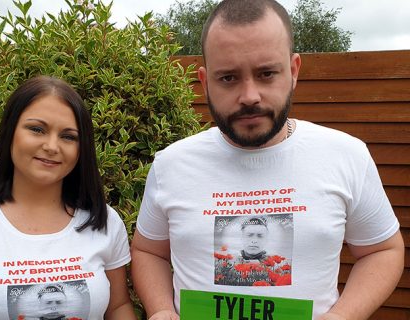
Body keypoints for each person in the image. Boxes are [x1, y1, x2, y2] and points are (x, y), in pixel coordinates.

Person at [131, 0, 405, 319]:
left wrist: (341, 316)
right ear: (205, 83)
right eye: (229, 78)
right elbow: (149, 251)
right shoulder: (171, 164)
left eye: (266, 73)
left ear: (293, 71)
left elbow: (383, 250)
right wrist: (161, 310)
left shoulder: (346, 155)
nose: (249, 95)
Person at [0, 76, 137, 320]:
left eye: (68, 136)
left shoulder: (103, 220)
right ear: (10, 131)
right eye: (37, 129)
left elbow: (118, 307)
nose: (52, 146)